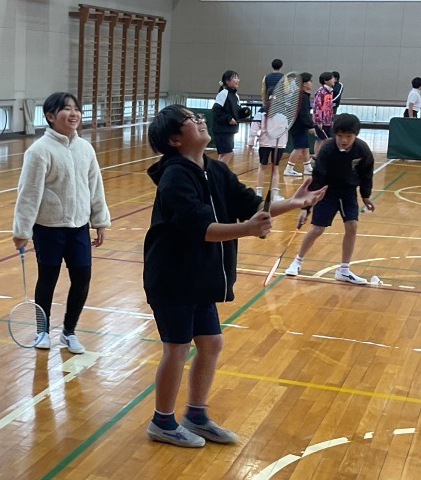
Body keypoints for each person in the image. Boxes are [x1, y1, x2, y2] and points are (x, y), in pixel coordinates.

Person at [143, 105, 326, 448]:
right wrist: (247, 229)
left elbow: (252, 206)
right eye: (190, 120)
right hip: (173, 277)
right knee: (177, 348)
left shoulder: (214, 169)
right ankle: (162, 422)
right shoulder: (174, 176)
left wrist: (293, 203)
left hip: (201, 276)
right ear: (175, 140)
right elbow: (201, 228)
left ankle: (196, 416)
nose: (200, 120)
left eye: (198, 117)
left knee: (211, 343)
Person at [12, 92, 111, 353]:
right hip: (48, 229)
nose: (74, 113)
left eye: (76, 108)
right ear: (50, 116)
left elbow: (95, 187)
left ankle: (69, 332)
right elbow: (28, 193)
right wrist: (22, 230)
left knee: (82, 279)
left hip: (79, 229)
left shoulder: (85, 149)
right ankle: (42, 331)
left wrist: (100, 220)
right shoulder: (39, 151)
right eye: (67, 109)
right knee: (48, 280)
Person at [285, 113, 375, 285]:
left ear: (356, 135)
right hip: (327, 192)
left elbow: (366, 173)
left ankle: (344, 270)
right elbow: (317, 179)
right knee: (317, 229)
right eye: (340, 136)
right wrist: (306, 208)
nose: (344, 140)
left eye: (348, 136)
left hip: (348, 192)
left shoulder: (362, 149)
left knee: (352, 226)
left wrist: (365, 195)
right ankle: (297, 261)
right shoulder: (327, 150)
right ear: (335, 134)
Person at [212, 70, 251, 164]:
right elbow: (216, 110)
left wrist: (244, 112)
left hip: (229, 130)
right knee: (228, 153)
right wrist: (228, 119)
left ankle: (216, 172)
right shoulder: (223, 93)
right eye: (234, 78)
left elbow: (236, 113)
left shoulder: (235, 95)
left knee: (223, 154)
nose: (237, 80)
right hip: (221, 130)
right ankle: (217, 171)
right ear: (227, 81)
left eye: (238, 78)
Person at [284, 72, 316, 177]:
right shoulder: (302, 97)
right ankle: (289, 169)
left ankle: (307, 168)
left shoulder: (299, 95)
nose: (311, 83)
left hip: (298, 125)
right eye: (310, 81)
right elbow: (303, 114)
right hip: (298, 126)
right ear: (305, 84)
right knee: (299, 147)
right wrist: (311, 125)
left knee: (305, 146)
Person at [254, 110, 288, 201]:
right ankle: (259, 193)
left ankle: (274, 194)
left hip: (278, 143)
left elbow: (285, 129)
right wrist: (251, 140)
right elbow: (255, 126)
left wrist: (284, 142)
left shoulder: (283, 113)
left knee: (275, 168)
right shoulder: (261, 112)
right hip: (265, 143)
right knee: (263, 166)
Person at [312, 72, 336, 162]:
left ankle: (322, 156)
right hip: (321, 121)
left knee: (325, 139)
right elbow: (317, 106)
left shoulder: (330, 91)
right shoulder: (321, 91)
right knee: (320, 139)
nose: (333, 80)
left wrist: (331, 119)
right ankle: (317, 157)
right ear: (326, 81)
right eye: (332, 78)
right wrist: (319, 121)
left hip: (328, 120)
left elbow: (329, 107)